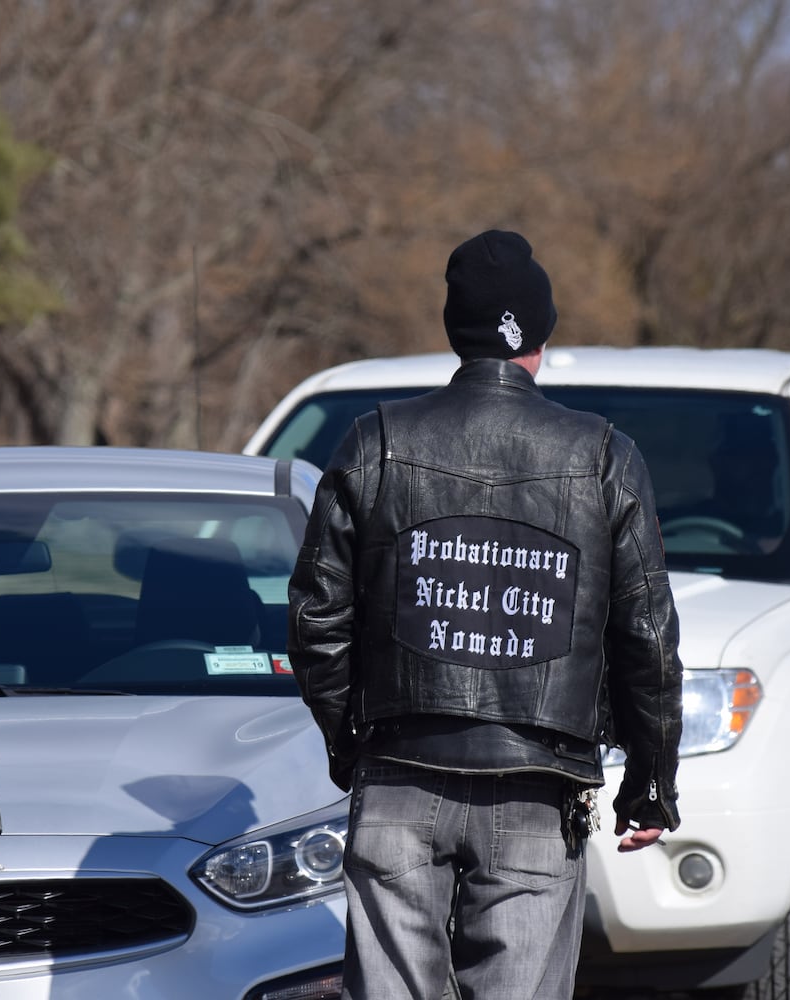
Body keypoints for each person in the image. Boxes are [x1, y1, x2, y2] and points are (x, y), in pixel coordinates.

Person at [287, 231, 683, 1000]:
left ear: (454, 331)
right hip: (538, 791)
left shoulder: (375, 443)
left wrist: (353, 743)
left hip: (396, 777)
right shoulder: (603, 454)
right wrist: (652, 776)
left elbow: (316, 621)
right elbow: (648, 636)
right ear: (540, 335)